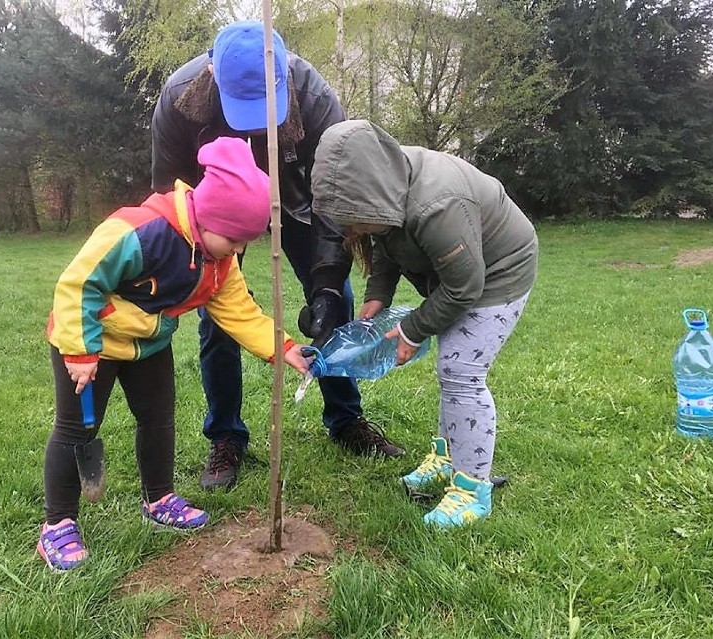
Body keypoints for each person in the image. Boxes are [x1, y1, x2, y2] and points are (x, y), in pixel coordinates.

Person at [151, 20, 404, 491]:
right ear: (213, 74)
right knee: (218, 319)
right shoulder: (181, 99)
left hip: (304, 207)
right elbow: (173, 195)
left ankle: (345, 419)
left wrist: (327, 279)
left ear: (285, 77)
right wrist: (195, 265)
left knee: (338, 300)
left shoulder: (313, 96)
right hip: (220, 214)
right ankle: (225, 436)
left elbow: (337, 191)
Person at [37, 137, 310, 571]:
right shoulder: (138, 232)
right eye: (234, 238)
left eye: (246, 242)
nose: (238, 250)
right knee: (77, 431)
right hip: (92, 344)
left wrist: (285, 349)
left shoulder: (219, 261)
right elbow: (78, 284)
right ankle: (58, 525)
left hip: (149, 345)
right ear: (209, 218)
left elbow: (240, 312)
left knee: (158, 419)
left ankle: (158, 497)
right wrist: (79, 350)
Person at [311, 120, 538, 529]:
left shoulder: (437, 205)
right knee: (451, 367)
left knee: (461, 371)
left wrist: (414, 330)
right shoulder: (386, 188)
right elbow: (387, 247)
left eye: (355, 221)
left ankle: (472, 488)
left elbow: (466, 285)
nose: (353, 231)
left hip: (499, 273)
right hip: (460, 277)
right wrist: (376, 296)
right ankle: (448, 456)